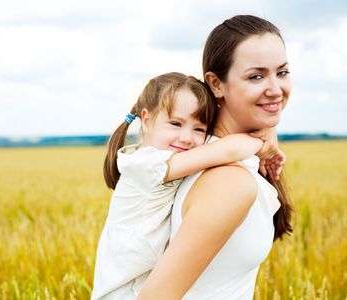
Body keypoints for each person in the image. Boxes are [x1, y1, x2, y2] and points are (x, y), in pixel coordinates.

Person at [138, 15, 294, 299]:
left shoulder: (200, 151)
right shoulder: (229, 180)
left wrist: (267, 134)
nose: (275, 89)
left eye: (282, 72)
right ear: (216, 84)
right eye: (256, 76)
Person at [91, 72, 284, 300]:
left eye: (199, 129)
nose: (187, 138)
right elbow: (229, 149)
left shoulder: (162, 159)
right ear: (147, 120)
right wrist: (265, 139)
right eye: (175, 123)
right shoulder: (147, 164)